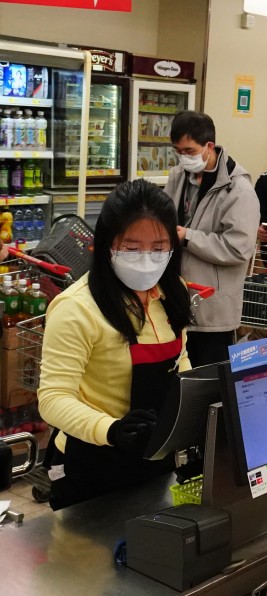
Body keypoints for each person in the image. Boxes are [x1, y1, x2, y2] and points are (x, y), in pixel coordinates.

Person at [38, 180, 193, 509]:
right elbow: (53, 399)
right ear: (107, 244)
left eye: (159, 248)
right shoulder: (77, 309)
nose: (147, 260)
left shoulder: (171, 293)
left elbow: (180, 361)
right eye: (133, 248)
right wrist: (110, 429)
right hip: (91, 463)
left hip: (155, 458)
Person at [165, 111, 259, 367]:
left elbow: (238, 248)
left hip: (212, 307)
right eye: (178, 150)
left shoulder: (238, 190)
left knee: (208, 381)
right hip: (176, 297)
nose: (184, 157)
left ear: (209, 146)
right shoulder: (178, 176)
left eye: (189, 150)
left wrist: (188, 237)